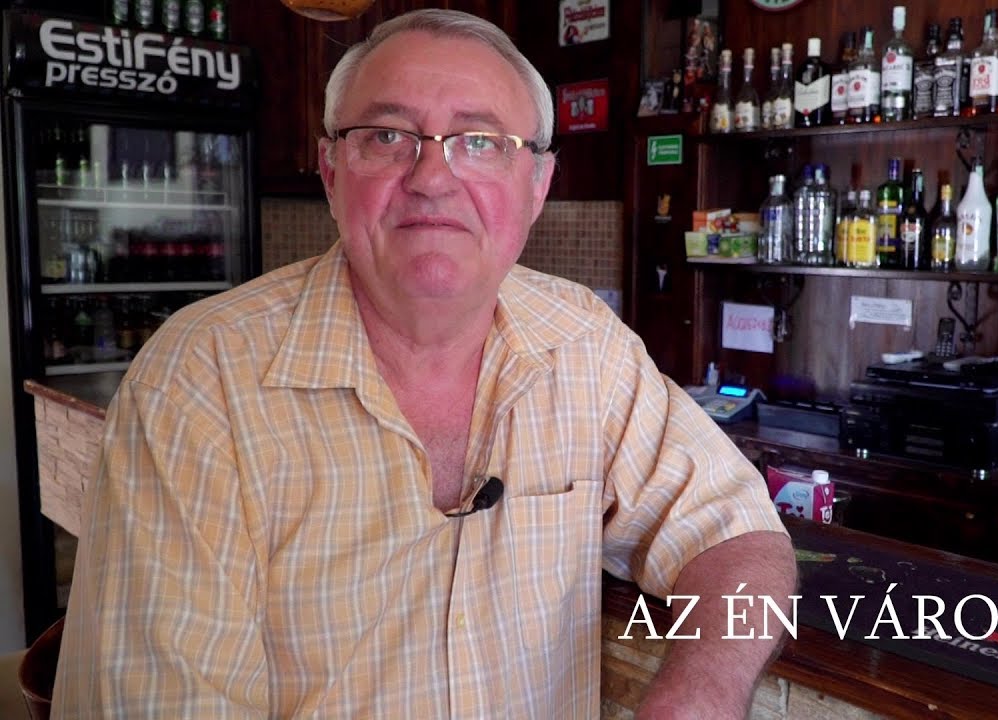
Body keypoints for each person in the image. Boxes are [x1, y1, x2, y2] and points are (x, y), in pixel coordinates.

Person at [52, 9, 795, 719]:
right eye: (387, 136)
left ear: (538, 184)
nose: (432, 177)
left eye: (482, 142)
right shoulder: (199, 379)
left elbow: (736, 535)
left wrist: (699, 695)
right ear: (331, 170)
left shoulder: (584, 344)